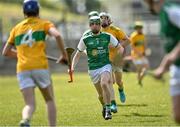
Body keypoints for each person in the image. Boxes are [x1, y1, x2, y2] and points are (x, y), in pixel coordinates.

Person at [2, 0, 68, 126]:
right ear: (38, 10)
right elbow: (58, 35)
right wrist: (63, 55)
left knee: (29, 104)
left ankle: (25, 120)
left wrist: (22, 55)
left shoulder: (16, 28)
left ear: (24, 12)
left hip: (23, 69)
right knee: (49, 100)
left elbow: (6, 52)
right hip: (40, 67)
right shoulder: (44, 24)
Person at [71, 16, 124, 120]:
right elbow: (78, 54)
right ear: (90, 25)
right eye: (92, 23)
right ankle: (104, 106)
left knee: (105, 83)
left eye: (96, 23)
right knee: (100, 95)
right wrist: (72, 67)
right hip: (93, 69)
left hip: (105, 65)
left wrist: (118, 59)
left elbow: (120, 48)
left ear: (100, 25)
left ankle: (108, 109)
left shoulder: (107, 36)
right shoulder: (85, 39)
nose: (94, 25)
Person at [144, 0, 180, 123]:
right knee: (177, 116)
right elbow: (171, 45)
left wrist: (173, 55)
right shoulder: (162, 15)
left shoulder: (172, 11)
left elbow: (172, 53)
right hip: (176, 68)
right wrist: (163, 68)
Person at [99, 12, 130, 112]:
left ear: (109, 20)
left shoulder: (115, 30)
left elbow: (127, 40)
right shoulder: (97, 31)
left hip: (116, 58)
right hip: (105, 59)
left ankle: (121, 89)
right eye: (101, 18)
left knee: (118, 81)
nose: (103, 20)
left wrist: (117, 47)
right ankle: (113, 104)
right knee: (109, 82)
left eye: (105, 18)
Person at [130, 21, 149, 86]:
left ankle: (139, 79)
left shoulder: (143, 35)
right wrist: (138, 53)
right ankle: (139, 82)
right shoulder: (133, 36)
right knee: (139, 69)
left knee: (146, 67)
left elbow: (144, 44)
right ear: (136, 28)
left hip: (142, 55)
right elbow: (132, 46)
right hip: (135, 55)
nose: (140, 29)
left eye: (140, 28)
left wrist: (145, 51)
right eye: (138, 28)